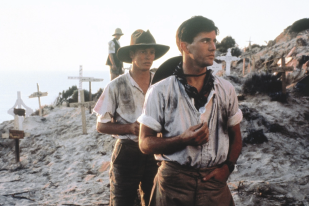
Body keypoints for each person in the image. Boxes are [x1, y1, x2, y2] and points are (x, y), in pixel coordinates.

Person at [138, 16, 243, 206]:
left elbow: (236, 136)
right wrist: (182, 140)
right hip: (173, 186)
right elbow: (144, 143)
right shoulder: (160, 91)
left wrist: (227, 168)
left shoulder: (226, 89)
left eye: (214, 41)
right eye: (205, 41)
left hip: (214, 186)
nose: (213, 47)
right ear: (184, 46)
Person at [94, 29, 169, 206]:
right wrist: (129, 128)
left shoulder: (161, 84)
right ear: (132, 54)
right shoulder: (116, 85)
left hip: (155, 151)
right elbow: (101, 125)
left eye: (151, 52)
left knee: (154, 200)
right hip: (127, 152)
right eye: (143, 51)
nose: (148, 57)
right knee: (122, 201)